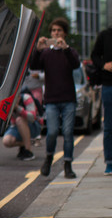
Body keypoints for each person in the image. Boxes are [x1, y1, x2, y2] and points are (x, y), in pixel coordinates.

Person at [30, 17, 81, 178]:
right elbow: (33, 66)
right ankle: (49, 157)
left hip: (68, 100)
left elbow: (76, 64)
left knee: (67, 133)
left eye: (59, 30)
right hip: (51, 100)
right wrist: (37, 50)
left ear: (64, 34)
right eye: (53, 31)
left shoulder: (70, 51)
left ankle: (67, 165)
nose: (55, 33)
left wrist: (65, 48)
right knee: (51, 132)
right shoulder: (46, 53)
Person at [89, 2, 112, 175]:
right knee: (109, 127)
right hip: (109, 86)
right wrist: (104, 64)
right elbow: (94, 55)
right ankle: (109, 163)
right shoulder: (105, 35)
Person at [2, 89, 43, 161]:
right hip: (16, 126)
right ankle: (25, 143)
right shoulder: (8, 103)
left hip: (33, 125)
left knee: (19, 120)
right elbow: (11, 122)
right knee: (6, 141)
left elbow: (32, 118)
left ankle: (28, 151)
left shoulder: (26, 98)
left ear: (19, 97)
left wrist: (18, 108)